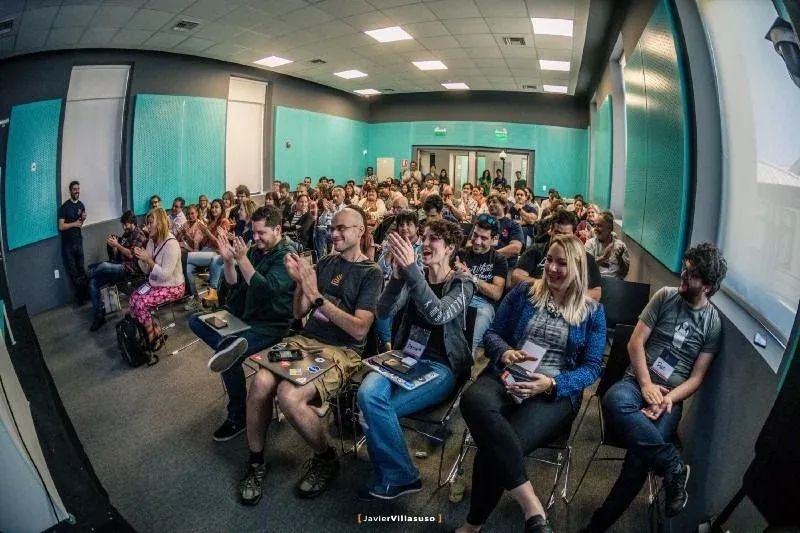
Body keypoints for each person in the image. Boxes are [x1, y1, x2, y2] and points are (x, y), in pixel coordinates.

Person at [221, 207, 382, 505]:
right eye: (332, 228)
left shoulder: (371, 273)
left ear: (361, 231)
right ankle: (256, 461)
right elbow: (298, 312)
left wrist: (317, 296)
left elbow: (360, 330)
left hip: (341, 351)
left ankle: (326, 457)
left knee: (289, 395)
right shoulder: (326, 263)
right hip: (305, 340)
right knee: (260, 383)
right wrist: (299, 284)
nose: (334, 234)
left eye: (342, 228)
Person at [452, 234, 606, 533]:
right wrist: (505, 352)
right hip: (508, 374)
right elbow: (492, 333)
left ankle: (471, 527)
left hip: (551, 393)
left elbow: (591, 368)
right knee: (473, 399)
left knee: (494, 450)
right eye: (549, 260)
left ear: (577, 268)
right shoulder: (524, 292)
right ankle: (532, 506)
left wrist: (552, 383)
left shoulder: (592, 312)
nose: (552, 268)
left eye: (562, 263)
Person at [582, 243, 727, 532]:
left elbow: (697, 377)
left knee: (639, 460)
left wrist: (667, 399)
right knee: (614, 399)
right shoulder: (665, 297)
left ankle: (597, 526)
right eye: (685, 269)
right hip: (636, 382)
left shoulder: (713, 324)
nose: (683, 276)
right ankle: (673, 466)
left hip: (670, 399)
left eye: (692, 275)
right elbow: (635, 343)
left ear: (708, 287)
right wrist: (646, 384)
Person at [357, 219, 475, 500]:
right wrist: (398, 279)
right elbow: (383, 312)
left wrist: (411, 272)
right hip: (404, 357)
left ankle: (396, 474)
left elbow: (438, 314)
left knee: (376, 410)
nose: (425, 243)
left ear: (450, 247)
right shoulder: (414, 277)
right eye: (424, 237)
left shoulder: (462, 283)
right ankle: (402, 473)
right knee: (367, 394)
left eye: (434, 239)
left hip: (441, 367)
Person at [190, 206, 295, 441]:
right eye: (253, 232)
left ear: (278, 229)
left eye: (261, 233)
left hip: (269, 326)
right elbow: (234, 285)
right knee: (195, 320)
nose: (255, 238)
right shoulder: (257, 251)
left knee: (228, 356)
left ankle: (237, 417)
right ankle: (230, 346)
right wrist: (229, 262)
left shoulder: (287, 257)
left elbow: (264, 291)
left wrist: (243, 259)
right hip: (243, 318)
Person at [511, 209, 602, 301]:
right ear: (551, 231)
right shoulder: (536, 250)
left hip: (570, 305)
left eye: (565, 235)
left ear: (574, 234)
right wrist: (546, 285)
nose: (561, 238)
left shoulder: (586, 258)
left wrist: (566, 292)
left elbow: (596, 294)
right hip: (537, 300)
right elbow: (515, 278)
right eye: (557, 233)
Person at [130, 208, 185, 350]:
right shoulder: (151, 242)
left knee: (141, 303)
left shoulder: (171, 244)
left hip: (173, 287)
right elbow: (146, 270)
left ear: (159, 223)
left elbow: (166, 275)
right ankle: (152, 330)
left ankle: (151, 336)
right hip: (157, 283)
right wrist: (140, 258)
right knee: (134, 298)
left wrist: (149, 260)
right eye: (147, 223)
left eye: (150, 223)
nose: (148, 226)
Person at [455, 214, 508, 358]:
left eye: (484, 238)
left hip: (483, 305)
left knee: (467, 345)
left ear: (494, 239)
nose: (477, 242)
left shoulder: (498, 259)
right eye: (475, 235)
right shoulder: (461, 254)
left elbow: (496, 293)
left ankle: (463, 365)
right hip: (458, 298)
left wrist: (471, 277)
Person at [88, 210, 147, 331]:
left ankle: (85, 278)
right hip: (120, 266)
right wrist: (114, 247)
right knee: (93, 282)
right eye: (123, 225)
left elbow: (131, 255)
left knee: (104, 265)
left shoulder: (139, 235)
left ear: (132, 222)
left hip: (131, 269)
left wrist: (117, 245)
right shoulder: (126, 234)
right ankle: (99, 317)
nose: (123, 227)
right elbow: (117, 256)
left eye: (125, 224)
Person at [375, 209, 423, 350]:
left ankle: (387, 344)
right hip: (387, 283)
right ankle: (386, 343)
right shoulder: (393, 242)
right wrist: (390, 252)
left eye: (409, 224)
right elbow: (380, 267)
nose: (404, 228)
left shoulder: (422, 247)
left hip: (409, 287)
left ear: (417, 227)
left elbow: (419, 273)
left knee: (386, 305)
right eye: (401, 225)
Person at [185, 199, 231, 311]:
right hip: (204, 251)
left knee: (184, 258)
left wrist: (207, 233)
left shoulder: (224, 222)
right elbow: (202, 243)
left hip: (215, 253)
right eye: (213, 207)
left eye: (217, 207)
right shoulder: (210, 222)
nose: (214, 209)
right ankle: (196, 299)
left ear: (222, 209)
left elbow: (220, 244)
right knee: (188, 268)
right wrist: (192, 236)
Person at [58, 180, 89, 304]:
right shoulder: (64, 207)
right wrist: (74, 223)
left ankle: (86, 294)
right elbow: (61, 226)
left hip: (78, 242)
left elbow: (79, 224)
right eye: (75, 189)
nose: (77, 191)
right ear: (70, 191)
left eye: (78, 189)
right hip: (68, 245)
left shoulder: (81, 205)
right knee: (73, 272)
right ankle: (80, 297)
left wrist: (83, 219)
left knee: (81, 269)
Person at [478, 193, 524, 269]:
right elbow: (469, 243)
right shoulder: (482, 222)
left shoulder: (513, 224)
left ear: (503, 205)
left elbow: (516, 248)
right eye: (489, 203)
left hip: (503, 266)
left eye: (494, 202)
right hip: (480, 265)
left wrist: (490, 256)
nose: (490, 204)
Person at [585, 211, 630, 279]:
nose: (596, 229)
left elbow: (624, 273)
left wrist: (620, 259)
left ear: (610, 228)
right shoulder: (590, 244)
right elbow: (586, 268)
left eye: (600, 226)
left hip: (615, 281)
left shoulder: (620, 246)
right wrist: (603, 257)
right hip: (595, 281)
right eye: (595, 225)